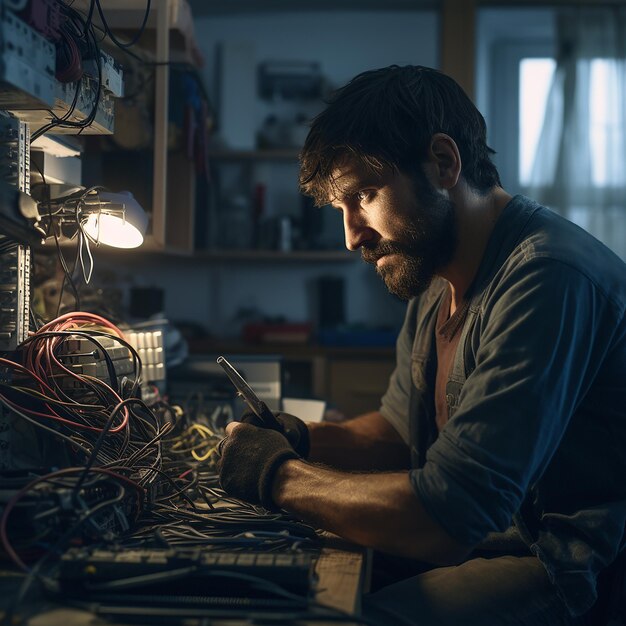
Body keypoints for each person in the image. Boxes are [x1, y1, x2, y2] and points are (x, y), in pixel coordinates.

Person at [217, 65, 626, 625]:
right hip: (488, 539)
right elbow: (397, 432)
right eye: (342, 208)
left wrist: (277, 475)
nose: (351, 235)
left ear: (443, 162)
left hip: (568, 567)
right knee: (265, 580)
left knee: (326, 618)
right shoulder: (438, 279)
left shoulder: (546, 277)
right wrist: (305, 439)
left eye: (364, 194)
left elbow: (450, 516)